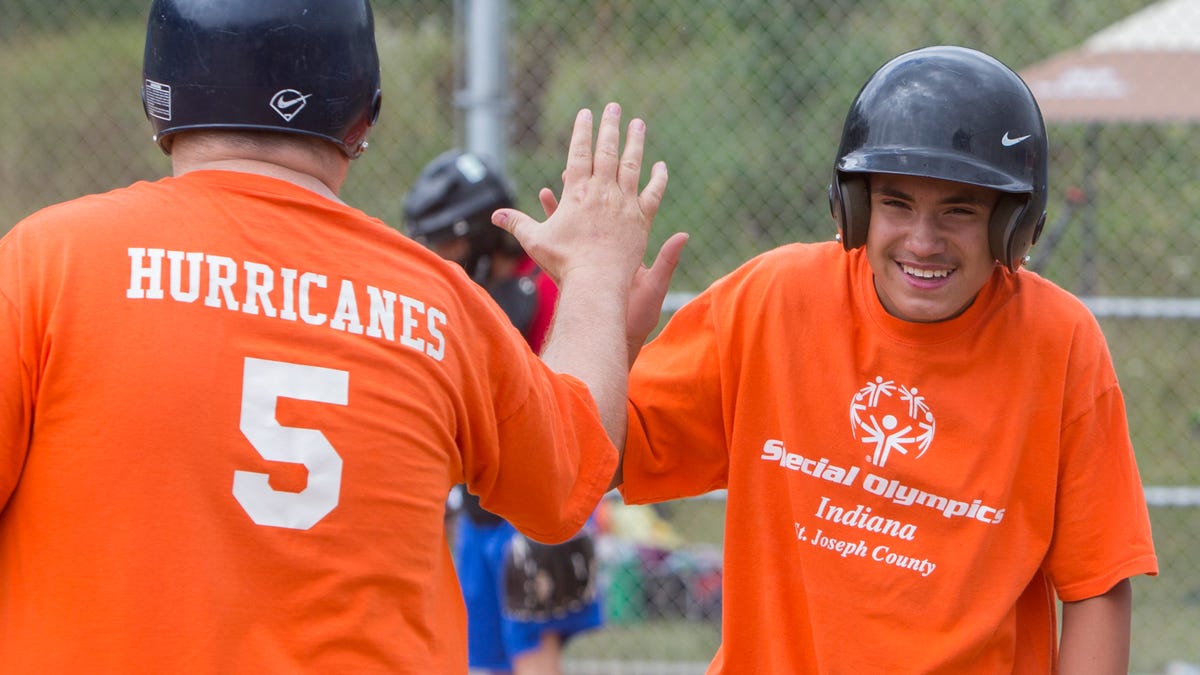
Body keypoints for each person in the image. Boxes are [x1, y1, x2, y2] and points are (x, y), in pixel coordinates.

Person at [0, 0, 673, 671]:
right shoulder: (437, 301)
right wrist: (593, 283)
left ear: (161, 92)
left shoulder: (50, 262)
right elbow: (566, 477)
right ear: (362, 108)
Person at [617, 45, 1158, 673]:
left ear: (1014, 226)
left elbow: (1097, 582)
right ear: (854, 209)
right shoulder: (773, 301)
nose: (922, 241)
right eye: (896, 203)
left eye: (960, 209)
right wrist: (608, 337)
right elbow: (593, 459)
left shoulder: (1059, 342)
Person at [403, 149, 604, 674]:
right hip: (480, 510)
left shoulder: (542, 290)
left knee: (532, 654)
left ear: (482, 238)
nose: (441, 255)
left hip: (530, 511)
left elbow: (571, 401)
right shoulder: (465, 299)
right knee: (480, 655)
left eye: (451, 242)